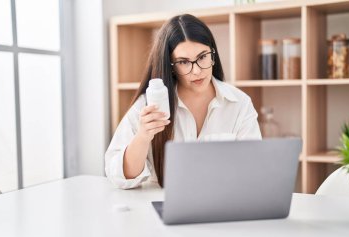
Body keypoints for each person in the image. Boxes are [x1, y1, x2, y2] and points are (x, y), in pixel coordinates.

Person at [105, 14, 261, 189]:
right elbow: (118, 177)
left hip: (222, 205)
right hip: (162, 207)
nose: (196, 71)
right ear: (170, 65)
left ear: (213, 55)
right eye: (183, 62)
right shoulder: (148, 105)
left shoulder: (239, 103)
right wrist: (143, 137)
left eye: (202, 57)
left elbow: (253, 170)